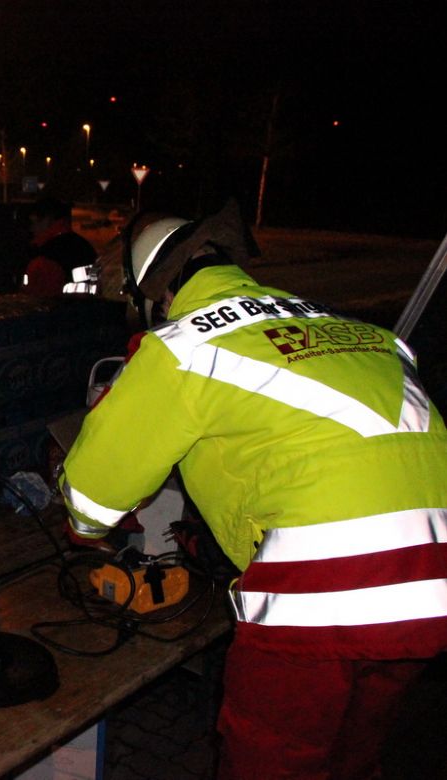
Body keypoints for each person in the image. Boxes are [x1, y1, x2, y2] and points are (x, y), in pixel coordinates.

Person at [57, 199, 447, 779]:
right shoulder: (355, 330)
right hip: (432, 586)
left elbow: (90, 506)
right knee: (353, 755)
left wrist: (88, 515)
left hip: (321, 592)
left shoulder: (183, 346)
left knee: (270, 759)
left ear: (154, 293)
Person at [19, 195, 97, 297]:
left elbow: (38, 301)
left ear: (47, 220)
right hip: (92, 309)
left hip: (62, 311)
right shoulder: (84, 246)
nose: (31, 228)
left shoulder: (46, 257)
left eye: (33, 221)